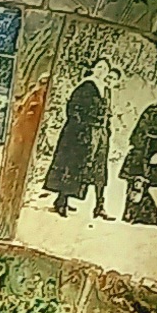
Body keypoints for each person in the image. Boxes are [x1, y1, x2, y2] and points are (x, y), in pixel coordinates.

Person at [44, 71, 111, 219]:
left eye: (105, 69)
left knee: (99, 171)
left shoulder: (106, 90)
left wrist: (106, 131)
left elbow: (107, 114)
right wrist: (80, 128)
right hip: (82, 134)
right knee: (73, 167)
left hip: (100, 136)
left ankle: (99, 206)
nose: (102, 72)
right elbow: (73, 109)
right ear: (94, 69)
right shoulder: (86, 87)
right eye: (99, 67)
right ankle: (62, 201)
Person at [120, 91, 157, 227]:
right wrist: (135, 142)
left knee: (143, 184)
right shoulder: (150, 111)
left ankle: (144, 215)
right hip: (140, 151)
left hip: (153, 152)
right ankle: (128, 213)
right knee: (132, 182)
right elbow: (139, 127)